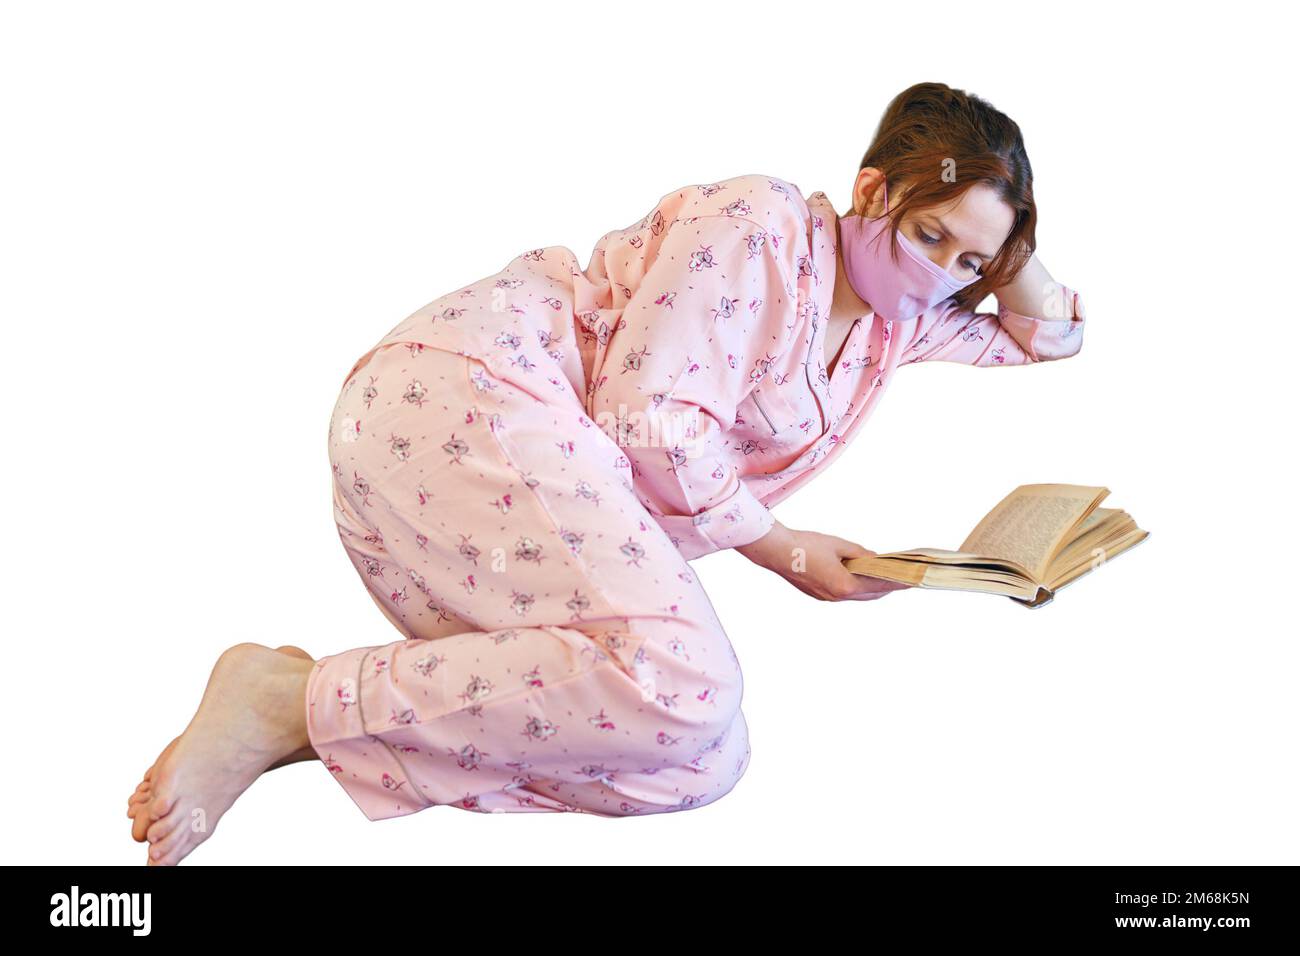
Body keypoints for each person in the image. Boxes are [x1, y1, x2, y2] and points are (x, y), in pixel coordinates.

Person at [126, 81, 1086, 864]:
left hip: (512, 509)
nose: (938, 275)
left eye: (967, 265)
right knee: (688, 679)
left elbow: (1053, 338)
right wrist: (785, 550)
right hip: (469, 400)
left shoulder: (898, 325)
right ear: (872, 191)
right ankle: (278, 706)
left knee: (699, 759)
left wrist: (1010, 260)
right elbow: (650, 415)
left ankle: (299, 712)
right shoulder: (761, 223)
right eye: (928, 236)